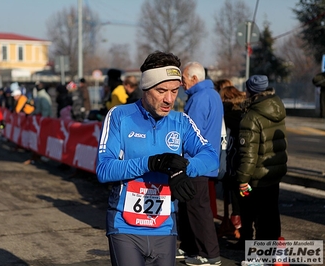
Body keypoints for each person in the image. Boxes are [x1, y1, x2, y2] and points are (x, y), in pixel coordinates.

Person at [96, 51, 219, 266]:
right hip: (125, 227)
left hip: (164, 227)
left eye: (174, 91)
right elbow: (104, 169)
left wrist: (182, 169)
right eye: (161, 90)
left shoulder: (181, 121)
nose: (169, 99)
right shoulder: (120, 116)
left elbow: (211, 157)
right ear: (145, 88)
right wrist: (151, 163)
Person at [232, 75, 287, 249]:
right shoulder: (277, 108)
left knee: (256, 215)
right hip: (274, 171)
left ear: (250, 91)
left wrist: (242, 180)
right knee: (271, 214)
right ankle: (271, 250)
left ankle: (259, 254)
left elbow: (248, 155)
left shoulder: (251, 117)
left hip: (256, 176)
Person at [177, 61, 222, 266]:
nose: (181, 84)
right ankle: (192, 248)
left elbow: (190, 134)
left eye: (184, 80)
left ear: (194, 79)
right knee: (192, 207)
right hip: (207, 160)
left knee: (198, 209)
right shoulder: (213, 95)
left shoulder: (198, 99)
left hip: (195, 162)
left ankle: (209, 254)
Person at [216, 85, 246, 240]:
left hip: (231, 160)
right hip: (244, 161)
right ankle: (240, 229)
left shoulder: (226, 115)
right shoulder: (244, 111)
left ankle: (237, 228)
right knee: (243, 196)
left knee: (235, 196)